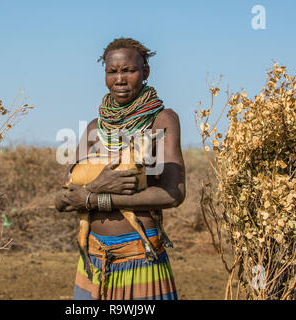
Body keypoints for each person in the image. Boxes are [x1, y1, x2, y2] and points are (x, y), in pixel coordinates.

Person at [55, 37, 185, 300]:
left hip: (140, 255)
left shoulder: (161, 120)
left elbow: (174, 193)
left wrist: (99, 198)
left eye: (129, 70)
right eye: (112, 71)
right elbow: (62, 199)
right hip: (93, 259)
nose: (120, 79)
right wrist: (95, 187)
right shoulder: (94, 128)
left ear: (145, 72)